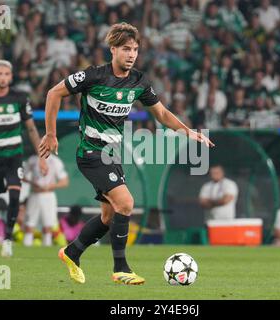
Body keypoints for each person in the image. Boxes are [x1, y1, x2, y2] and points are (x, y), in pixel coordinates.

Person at [39, 22, 214, 285]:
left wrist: (188, 131)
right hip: (91, 151)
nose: (131, 54)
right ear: (113, 50)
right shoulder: (93, 76)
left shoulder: (139, 81)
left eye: (135, 49)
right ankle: (121, 268)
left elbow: (163, 114)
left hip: (112, 155)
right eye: (125, 49)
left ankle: (72, 253)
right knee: (126, 203)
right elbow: (54, 93)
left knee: (109, 216)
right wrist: (51, 134)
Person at [0, 60, 48, 259]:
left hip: (14, 156)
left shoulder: (20, 98)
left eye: (6, 74)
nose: (3, 77)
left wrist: (41, 156)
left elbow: (30, 128)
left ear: (11, 77)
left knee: (14, 196)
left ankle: (7, 240)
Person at [23, 153, 69, 247]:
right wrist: (33, 183)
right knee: (30, 224)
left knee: (48, 225)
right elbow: (23, 176)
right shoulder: (32, 159)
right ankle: (27, 246)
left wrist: (52, 185)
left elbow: (65, 181)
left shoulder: (55, 161)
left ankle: (47, 246)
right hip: (35, 194)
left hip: (48, 195)